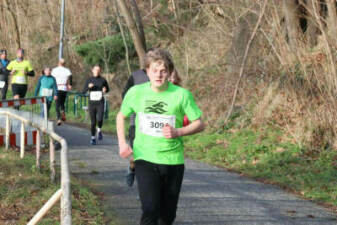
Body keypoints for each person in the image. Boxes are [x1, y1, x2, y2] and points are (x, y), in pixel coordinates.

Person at [116, 49, 205, 225]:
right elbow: (121, 116)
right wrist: (122, 143)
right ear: (147, 71)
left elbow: (199, 123)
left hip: (173, 160)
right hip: (145, 158)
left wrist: (178, 132)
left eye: (163, 71)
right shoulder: (136, 92)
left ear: (170, 72)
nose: (158, 75)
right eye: (154, 70)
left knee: (167, 215)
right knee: (150, 209)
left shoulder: (181, 95)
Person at [122, 50, 152, 187]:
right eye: (150, 57)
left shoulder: (162, 76)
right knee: (138, 156)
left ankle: (146, 187)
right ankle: (132, 168)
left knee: (150, 158)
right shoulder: (135, 76)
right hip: (136, 123)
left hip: (155, 126)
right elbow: (125, 94)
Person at [82, 65, 109, 145]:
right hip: (92, 103)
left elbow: (107, 89)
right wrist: (88, 87)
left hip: (100, 102)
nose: (97, 71)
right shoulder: (89, 80)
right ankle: (93, 138)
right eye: (95, 70)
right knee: (93, 122)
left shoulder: (103, 80)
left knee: (100, 119)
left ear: (100, 71)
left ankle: (99, 130)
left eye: (98, 70)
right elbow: (83, 91)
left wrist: (105, 90)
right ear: (92, 70)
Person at [51, 58, 72, 126]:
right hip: (64, 88)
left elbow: (52, 78)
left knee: (57, 104)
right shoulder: (67, 70)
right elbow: (70, 76)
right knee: (62, 103)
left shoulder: (54, 70)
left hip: (57, 87)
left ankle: (59, 119)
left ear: (58, 63)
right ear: (64, 64)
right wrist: (70, 84)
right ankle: (63, 112)